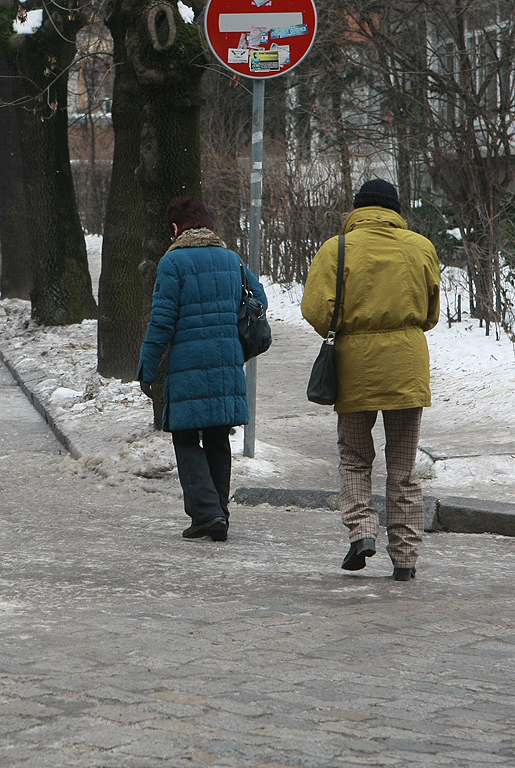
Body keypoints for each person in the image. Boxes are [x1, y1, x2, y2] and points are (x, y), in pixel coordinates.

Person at [301, 178, 440, 581]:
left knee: (356, 458)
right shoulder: (421, 248)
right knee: (403, 467)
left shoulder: (337, 248)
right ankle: (406, 557)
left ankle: (362, 532)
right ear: (395, 210)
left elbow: (315, 308)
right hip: (408, 366)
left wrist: (342, 329)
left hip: (355, 366)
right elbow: (431, 312)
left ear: (357, 209)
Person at [138, 198, 268, 542]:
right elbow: (259, 299)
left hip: (188, 365)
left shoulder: (173, 262)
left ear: (176, 228)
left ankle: (207, 512)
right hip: (226, 362)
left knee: (185, 436)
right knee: (216, 438)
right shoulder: (231, 260)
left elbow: (162, 321)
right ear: (208, 227)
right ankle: (219, 515)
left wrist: (147, 367)